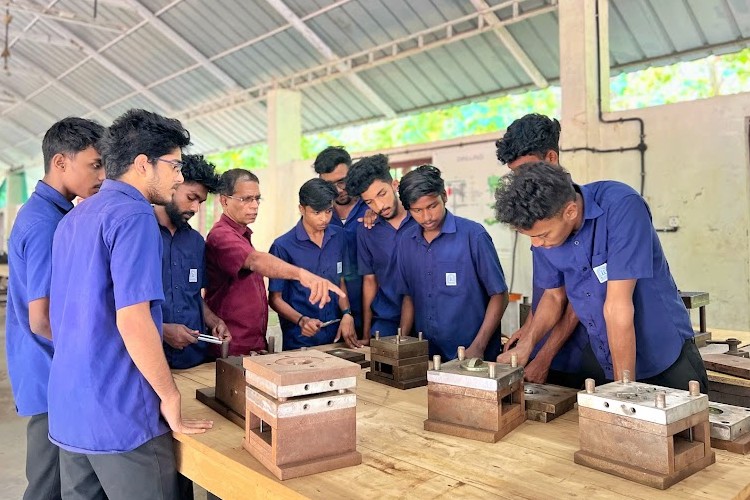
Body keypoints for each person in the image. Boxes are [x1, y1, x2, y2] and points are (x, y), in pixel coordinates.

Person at [48, 109, 213, 499]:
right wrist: (170, 396)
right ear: (143, 164)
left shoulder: (75, 217)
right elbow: (133, 317)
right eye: (174, 166)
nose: (178, 176)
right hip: (121, 413)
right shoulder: (135, 214)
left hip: (71, 408)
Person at [494, 162, 709, 393]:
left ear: (570, 211)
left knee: (684, 423)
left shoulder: (622, 207)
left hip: (663, 352)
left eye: (543, 235)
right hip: (605, 352)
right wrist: (528, 344)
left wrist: (623, 392)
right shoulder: (545, 233)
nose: (537, 244)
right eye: (531, 237)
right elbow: (554, 297)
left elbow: (617, 307)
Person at [5, 117, 105, 500]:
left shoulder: (55, 214)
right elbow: (41, 317)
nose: (101, 175)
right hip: (51, 373)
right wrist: (89, 356)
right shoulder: (46, 223)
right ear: (61, 162)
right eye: (95, 164)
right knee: (48, 486)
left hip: (48, 369)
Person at [495, 113, 603, 387]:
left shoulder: (570, 216)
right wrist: (530, 330)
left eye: (525, 171)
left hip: (581, 350)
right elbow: (550, 290)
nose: (520, 182)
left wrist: (544, 355)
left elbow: (576, 300)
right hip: (545, 344)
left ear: (551, 159)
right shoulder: (535, 213)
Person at [205, 169, 345, 356]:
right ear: (224, 200)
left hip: (253, 344)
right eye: (246, 199)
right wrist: (302, 274)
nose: (254, 206)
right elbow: (255, 261)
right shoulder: (221, 235)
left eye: (257, 199)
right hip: (231, 343)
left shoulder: (243, 235)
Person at [393, 165, 509, 361]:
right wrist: (402, 343)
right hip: (428, 355)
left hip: (472, 354)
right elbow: (409, 297)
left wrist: (478, 347)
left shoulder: (474, 236)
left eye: (432, 206)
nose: (426, 217)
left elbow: (499, 294)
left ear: (444, 197)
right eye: (417, 210)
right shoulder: (406, 241)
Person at [156, 153, 230, 369]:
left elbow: (193, 296)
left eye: (201, 202)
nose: (196, 208)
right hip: (151, 361)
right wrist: (161, 330)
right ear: (174, 183)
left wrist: (214, 321)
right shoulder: (139, 234)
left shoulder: (196, 242)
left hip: (194, 359)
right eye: (191, 198)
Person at [269, 179, 355, 350]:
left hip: (335, 336)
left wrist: (347, 314)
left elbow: (340, 281)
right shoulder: (282, 246)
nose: (324, 219)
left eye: (328, 211)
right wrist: (301, 321)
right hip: (300, 338)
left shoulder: (340, 237)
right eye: (316, 213)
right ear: (302, 209)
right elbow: (274, 299)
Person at [344, 154, 417, 346]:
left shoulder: (421, 219)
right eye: (369, 202)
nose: (379, 206)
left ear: (394, 184)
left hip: (425, 320)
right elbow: (369, 281)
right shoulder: (366, 229)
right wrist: (367, 333)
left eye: (381, 194)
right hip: (385, 321)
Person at [314, 146, 368, 337]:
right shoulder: (319, 215)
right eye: (330, 185)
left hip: (377, 311)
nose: (339, 190)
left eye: (342, 181)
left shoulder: (373, 206)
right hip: (334, 315)